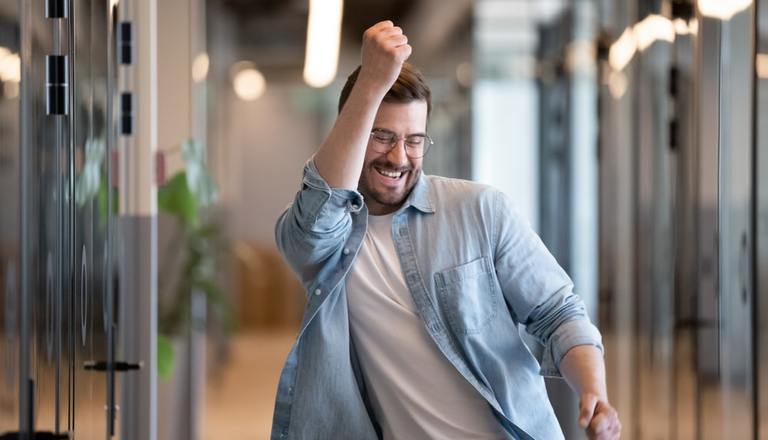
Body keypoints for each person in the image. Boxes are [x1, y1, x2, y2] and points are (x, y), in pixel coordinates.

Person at [271, 20, 621, 440]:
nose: (399, 156)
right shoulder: (328, 242)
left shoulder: (480, 210)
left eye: (414, 140)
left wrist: (593, 392)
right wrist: (370, 83)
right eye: (382, 136)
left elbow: (559, 312)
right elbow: (317, 217)